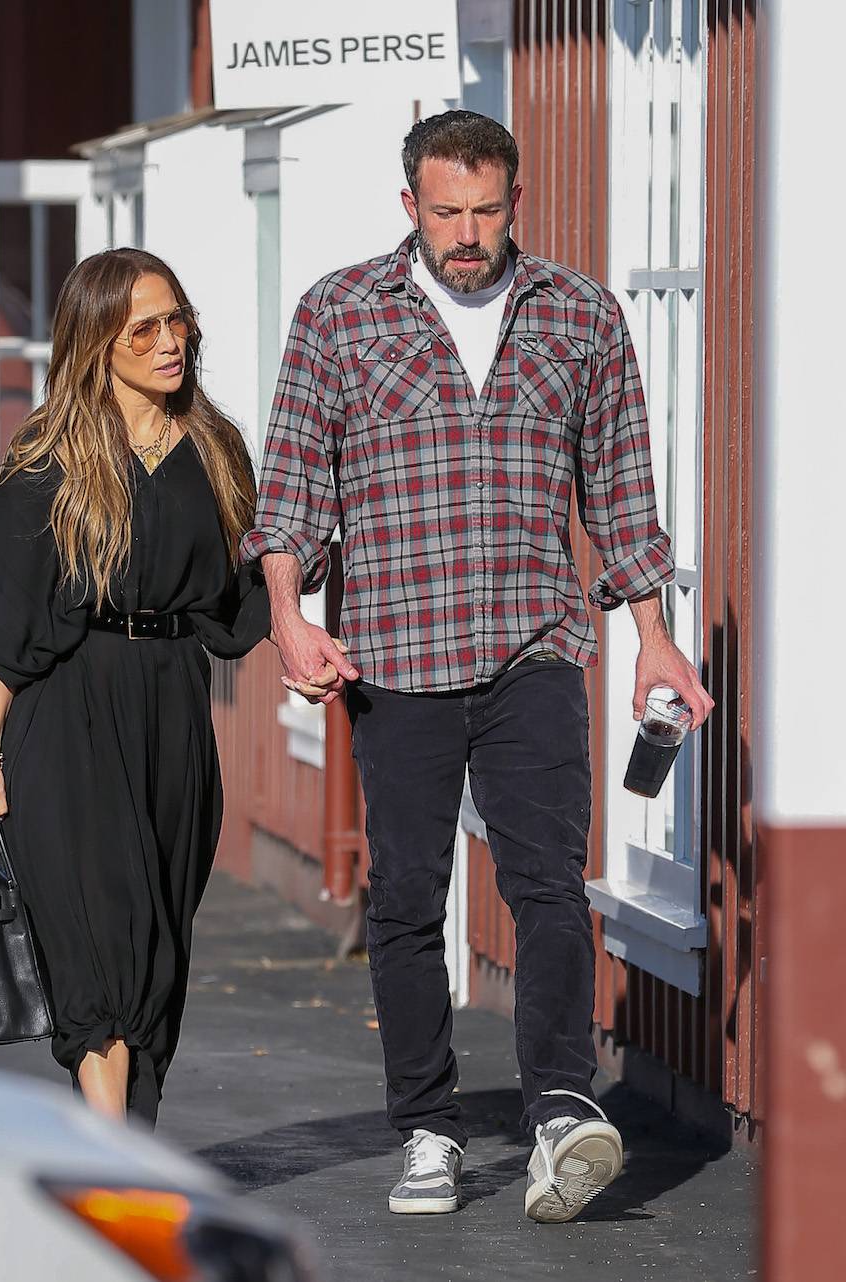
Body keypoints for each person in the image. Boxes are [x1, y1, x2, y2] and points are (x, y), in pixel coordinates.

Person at [240, 111, 713, 1222]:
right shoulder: (338, 313)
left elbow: (624, 498)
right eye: (444, 212)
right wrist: (286, 617)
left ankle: (557, 1109)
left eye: (484, 212)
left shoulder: (579, 316)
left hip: (533, 643)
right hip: (394, 655)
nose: (466, 234)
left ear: (515, 202)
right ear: (408, 205)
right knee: (408, 901)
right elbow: (294, 489)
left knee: (548, 883)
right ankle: (428, 1130)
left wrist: (650, 633)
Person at [0, 248, 271, 1125]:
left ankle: (125, 1147)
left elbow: (241, 595)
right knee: (100, 948)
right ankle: (113, 1165)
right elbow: (5, 628)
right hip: (65, 714)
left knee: (159, 946)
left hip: (171, 708)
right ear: (98, 343)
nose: (172, 341)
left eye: (179, 321)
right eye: (146, 328)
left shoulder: (215, 449)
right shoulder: (49, 461)